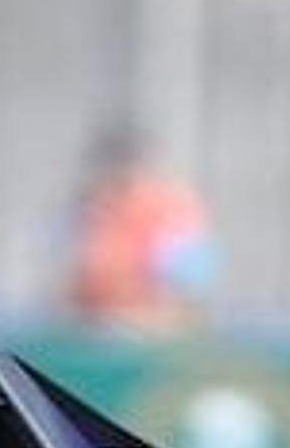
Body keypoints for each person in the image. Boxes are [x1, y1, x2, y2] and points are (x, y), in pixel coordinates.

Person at [67, 124, 215, 330]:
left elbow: (185, 296)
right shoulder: (90, 210)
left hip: (149, 333)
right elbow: (73, 288)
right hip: (91, 329)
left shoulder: (172, 211)